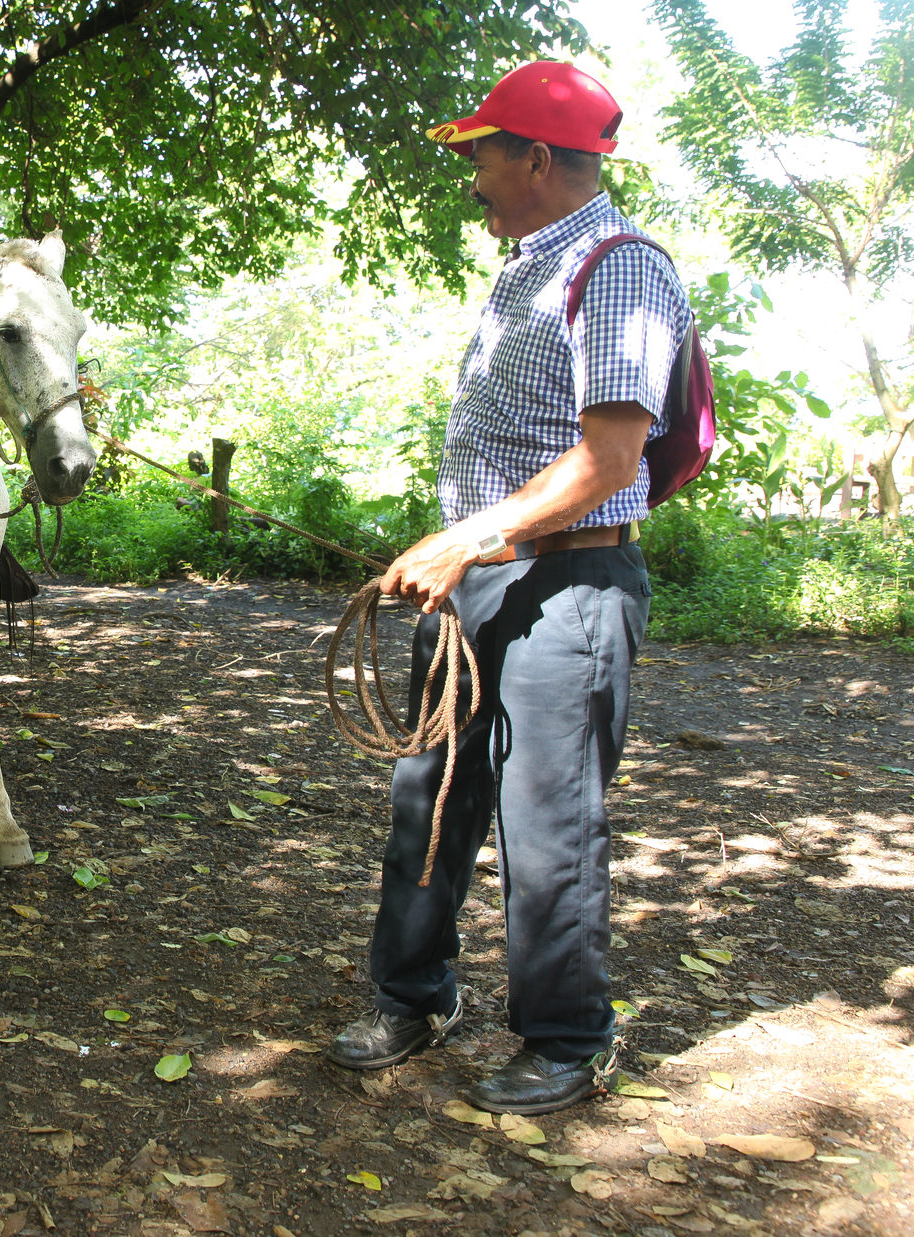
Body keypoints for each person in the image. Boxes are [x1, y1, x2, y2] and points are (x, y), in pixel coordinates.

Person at [323, 60, 692, 1116]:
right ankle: (410, 997)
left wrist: (461, 541)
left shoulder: (617, 268)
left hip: (566, 590)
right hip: (481, 581)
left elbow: (608, 462)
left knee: (548, 819)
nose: (470, 175)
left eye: (480, 154)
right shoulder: (529, 264)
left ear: (532, 158)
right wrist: (462, 555)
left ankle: (568, 1040)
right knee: (427, 793)